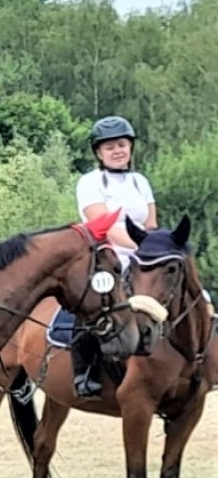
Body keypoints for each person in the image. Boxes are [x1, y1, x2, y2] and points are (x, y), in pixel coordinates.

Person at [70, 115, 156, 397]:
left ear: (130, 147)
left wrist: (154, 250)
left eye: (122, 145)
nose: (117, 150)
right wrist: (140, 247)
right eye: (109, 147)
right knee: (92, 299)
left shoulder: (140, 181)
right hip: (104, 255)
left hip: (140, 256)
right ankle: (85, 371)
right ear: (99, 153)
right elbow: (103, 225)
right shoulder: (89, 182)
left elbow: (151, 223)